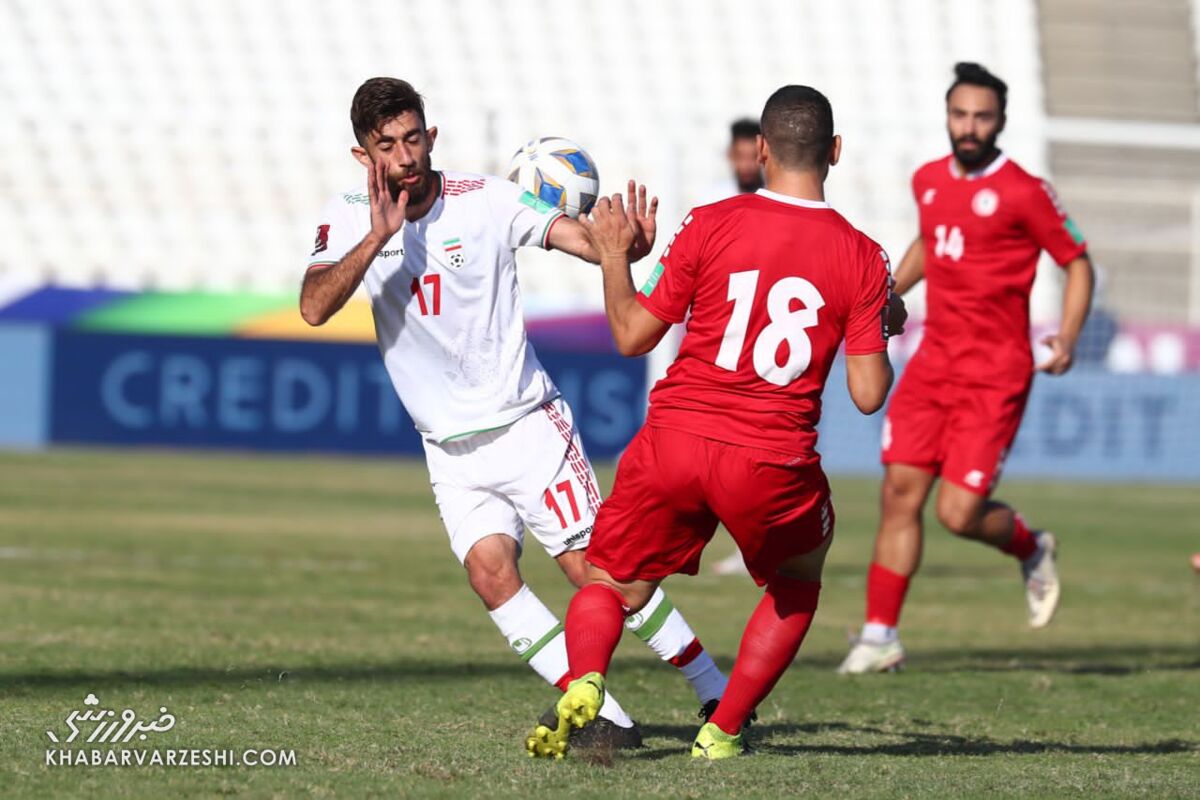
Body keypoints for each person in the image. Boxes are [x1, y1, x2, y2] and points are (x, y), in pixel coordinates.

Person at [300, 78, 729, 748]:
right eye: (387, 146)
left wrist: (621, 249)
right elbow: (314, 306)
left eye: (414, 138)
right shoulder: (350, 214)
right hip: (448, 449)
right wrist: (376, 238)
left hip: (527, 426)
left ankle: (716, 691)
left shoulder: (488, 200)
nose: (405, 156)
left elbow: (575, 238)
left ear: (430, 136)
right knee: (490, 575)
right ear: (364, 157)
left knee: (598, 575)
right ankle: (605, 716)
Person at [526, 85, 904, 760]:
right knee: (797, 580)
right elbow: (870, 394)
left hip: (674, 439)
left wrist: (614, 256)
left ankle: (586, 677)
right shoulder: (863, 256)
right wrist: (876, 320)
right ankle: (722, 730)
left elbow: (632, 334)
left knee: (613, 579)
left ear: (760, 150)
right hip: (769, 459)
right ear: (835, 152)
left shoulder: (709, 222)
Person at [838, 63, 1095, 675]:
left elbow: (1077, 261)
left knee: (958, 513)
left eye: (982, 116)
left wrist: (1069, 335)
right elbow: (932, 242)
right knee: (899, 493)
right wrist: (886, 293)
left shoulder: (1025, 191)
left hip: (995, 372)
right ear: (948, 116)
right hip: (933, 365)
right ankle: (880, 637)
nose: (969, 127)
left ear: (1001, 121)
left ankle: (1032, 546)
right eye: (960, 115)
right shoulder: (927, 179)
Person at [699, 118, 765, 203]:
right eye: (741, 157)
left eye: (753, 157)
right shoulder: (713, 198)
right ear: (730, 155)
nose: (747, 166)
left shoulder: (776, 195)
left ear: (764, 156)